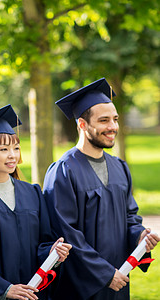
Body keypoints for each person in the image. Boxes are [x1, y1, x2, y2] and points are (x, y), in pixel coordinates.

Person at [43, 78, 159, 300]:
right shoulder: (64, 171)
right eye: (104, 120)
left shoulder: (119, 167)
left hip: (119, 279)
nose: (113, 127)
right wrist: (105, 274)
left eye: (115, 119)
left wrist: (139, 236)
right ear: (82, 125)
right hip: (81, 287)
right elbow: (67, 235)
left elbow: (130, 217)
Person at [0, 104, 71, 300]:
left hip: (32, 291)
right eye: (3, 149)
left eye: (16, 148)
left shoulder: (32, 193)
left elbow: (44, 241)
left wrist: (52, 253)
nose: (12, 155)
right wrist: (4, 289)